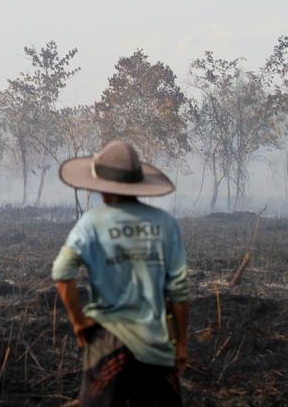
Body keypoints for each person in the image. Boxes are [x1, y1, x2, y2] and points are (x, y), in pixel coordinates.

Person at [52, 140, 189, 406]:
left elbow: (62, 273)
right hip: (157, 344)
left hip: (107, 344)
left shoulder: (92, 222)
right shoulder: (165, 223)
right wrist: (181, 343)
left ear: (103, 186)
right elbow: (178, 291)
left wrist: (79, 322)